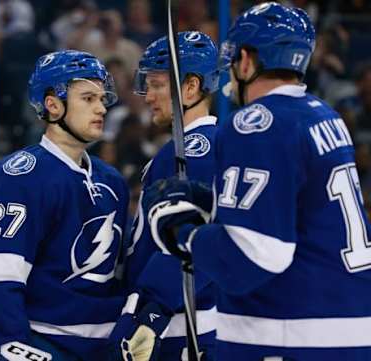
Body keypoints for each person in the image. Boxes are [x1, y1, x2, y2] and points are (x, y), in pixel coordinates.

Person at [144, 2, 371, 361]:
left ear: (247, 60)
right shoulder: (325, 115)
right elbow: (293, 215)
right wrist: (213, 207)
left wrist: (186, 235)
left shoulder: (256, 123)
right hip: (347, 325)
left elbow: (254, 257)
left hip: (288, 334)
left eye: (234, 61)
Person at [0, 50, 130, 361]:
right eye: (87, 98)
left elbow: (120, 272)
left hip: (104, 349)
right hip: (44, 344)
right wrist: (15, 347)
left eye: (101, 98)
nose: (101, 108)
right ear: (53, 105)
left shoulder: (112, 180)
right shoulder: (23, 176)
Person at [109, 31, 220, 361]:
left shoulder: (196, 150)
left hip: (179, 328)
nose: (148, 95)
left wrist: (150, 318)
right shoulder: (190, 147)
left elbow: (192, 242)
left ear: (191, 87)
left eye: (158, 85)